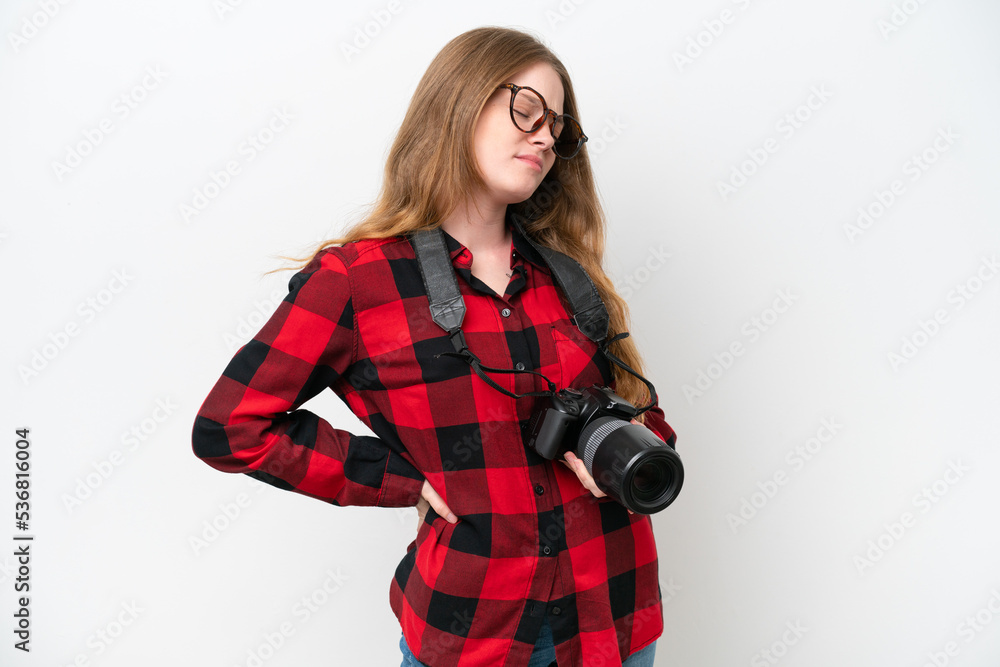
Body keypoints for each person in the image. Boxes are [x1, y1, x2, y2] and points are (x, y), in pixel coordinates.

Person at [192, 26, 676, 667]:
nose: (543, 137)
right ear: (458, 101)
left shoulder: (570, 275)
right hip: (474, 633)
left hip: (613, 622)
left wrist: (630, 450)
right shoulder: (357, 280)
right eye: (526, 109)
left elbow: (646, 414)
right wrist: (403, 480)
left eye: (556, 128)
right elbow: (230, 426)